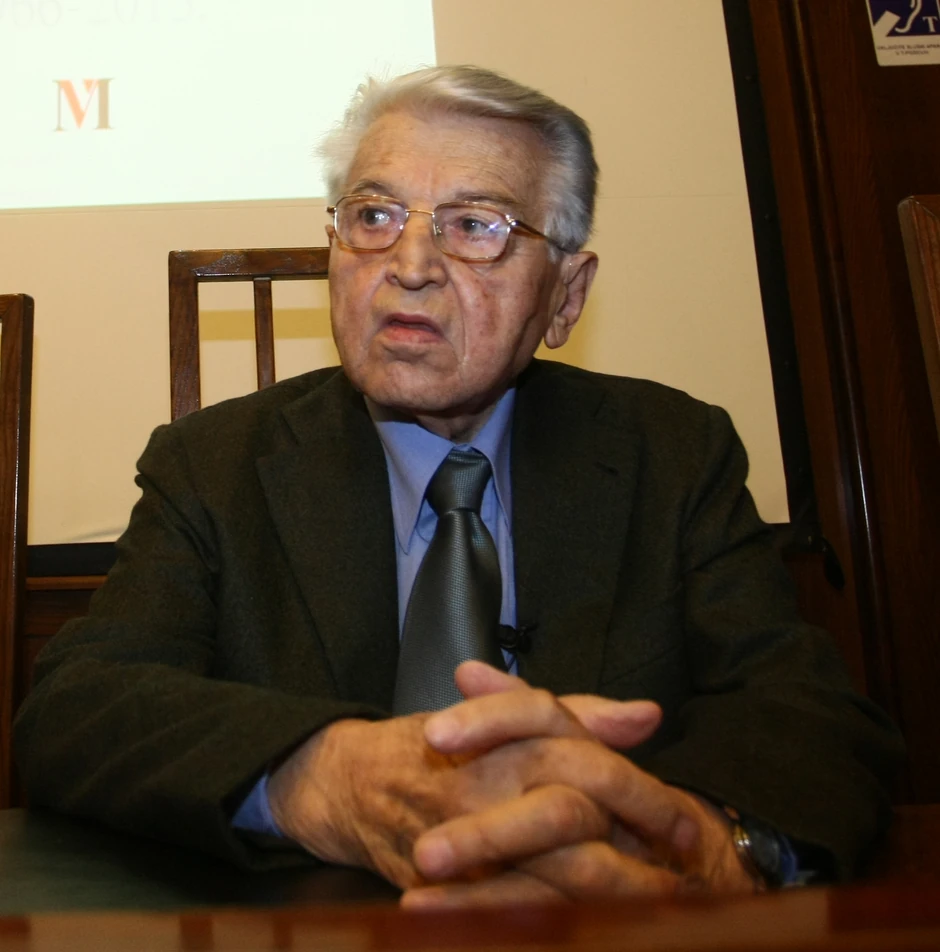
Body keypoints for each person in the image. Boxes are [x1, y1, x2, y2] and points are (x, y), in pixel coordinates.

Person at [15, 65, 901, 908]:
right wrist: (320, 778)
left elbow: (810, 716)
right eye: (373, 215)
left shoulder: (671, 454)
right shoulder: (212, 465)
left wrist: (698, 842)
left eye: (476, 225)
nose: (409, 264)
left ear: (566, 296)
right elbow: (76, 709)